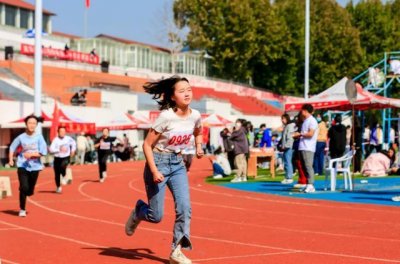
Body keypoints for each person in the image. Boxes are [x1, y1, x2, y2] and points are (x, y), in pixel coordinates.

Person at [124, 76, 203, 264]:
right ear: (173, 96)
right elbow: (146, 145)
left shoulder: (195, 115)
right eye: (182, 90)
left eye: (189, 89)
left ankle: (176, 251)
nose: (187, 93)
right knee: (155, 215)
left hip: (177, 164)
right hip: (158, 163)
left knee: (185, 207)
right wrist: (154, 171)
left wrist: (199, 146)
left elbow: (199, 131)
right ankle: (138, 211)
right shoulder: (166, 116)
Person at [8, 115, 47, 217]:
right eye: (30, 123)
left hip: (35, 166)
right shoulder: (21, 137)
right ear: (26, 124)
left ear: (36, 125)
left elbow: (43, 152)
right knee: (23, 187)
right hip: (22, 165)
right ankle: (22, 209)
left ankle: (29, 190)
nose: (32, 125)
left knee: (29, 190)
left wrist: (32, 155)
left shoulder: (39, 137)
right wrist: (11, 159)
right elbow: (12, 147)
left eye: (34, 123)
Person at [293, 104, 318, 193]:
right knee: (303, 166)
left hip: (308, 147)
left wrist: (300, 134)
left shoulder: (312, 121)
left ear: (305, 111)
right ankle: (308, 184)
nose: (301, 112)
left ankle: (311, 184)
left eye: (302, 110)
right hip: (302, 146)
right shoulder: (305, 121)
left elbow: (311, 133)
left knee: (308, 166)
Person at [49, 126, 76, 193]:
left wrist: (73, 150)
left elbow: (73, 143)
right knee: (57, 173)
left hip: (66, 157)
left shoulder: (68, 138)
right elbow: (51, 149)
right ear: (58, 132)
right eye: (61, 131)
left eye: (64, 131)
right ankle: (58, 187)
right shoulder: (55, 140)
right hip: (57, 158)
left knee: (63, 166)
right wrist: (58, 149)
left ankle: (64, 177)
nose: (62, 133)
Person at [280, 114, 296, 184]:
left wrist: (286, 146)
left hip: (288, 147)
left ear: (286, 119)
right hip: (286, 147)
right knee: (286, 162)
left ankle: (289, 177)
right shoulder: (287, 126)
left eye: (283, 119)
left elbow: (290, 137)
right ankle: (287, 176)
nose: (282, 120)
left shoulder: (289, 126)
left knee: (288, 162)